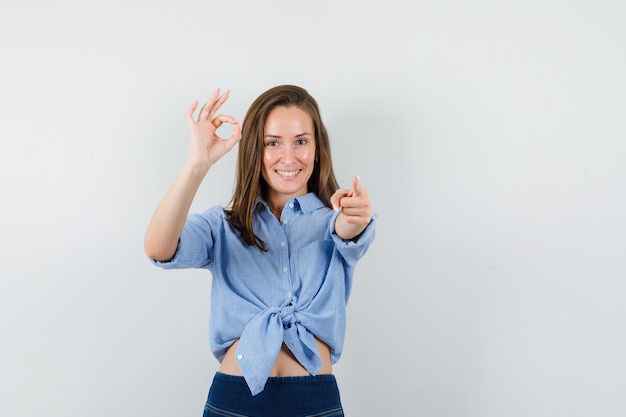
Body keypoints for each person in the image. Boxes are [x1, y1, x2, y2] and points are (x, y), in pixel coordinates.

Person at [145, 85, 376, 417]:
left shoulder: (336, 221)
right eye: (272, 143)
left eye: (301, 141)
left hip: (314, 402)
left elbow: (349, 231)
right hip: (235, 402)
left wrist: (355, 218)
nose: (288, 157)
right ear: (255, 149)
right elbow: (158, 248)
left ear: (317, 147)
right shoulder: (223, 226)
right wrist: (197, 164)